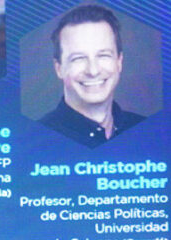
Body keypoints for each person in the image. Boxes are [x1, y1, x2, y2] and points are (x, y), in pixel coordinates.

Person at [39, 5, 143, 147]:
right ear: (59, 68)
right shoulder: (35, 138)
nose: (93, 71)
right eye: (78, 58)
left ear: (119, 62)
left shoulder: (150, 131)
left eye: (103, 55)